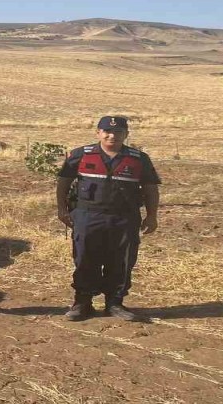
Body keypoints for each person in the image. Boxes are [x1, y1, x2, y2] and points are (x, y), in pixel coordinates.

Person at [57, 116, 160, 322]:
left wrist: (151, 216)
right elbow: (63, 183)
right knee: (85, 258)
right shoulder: (80, 155)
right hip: (88, 215)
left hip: (124, 217)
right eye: (107, 132)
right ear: (98, 133)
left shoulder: (139, 158)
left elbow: (150, 189)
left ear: (126, 135)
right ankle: (82, 303)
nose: (112, 135)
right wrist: (62, 209)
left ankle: (115, 303)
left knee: (122, 260)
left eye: (119, 132)